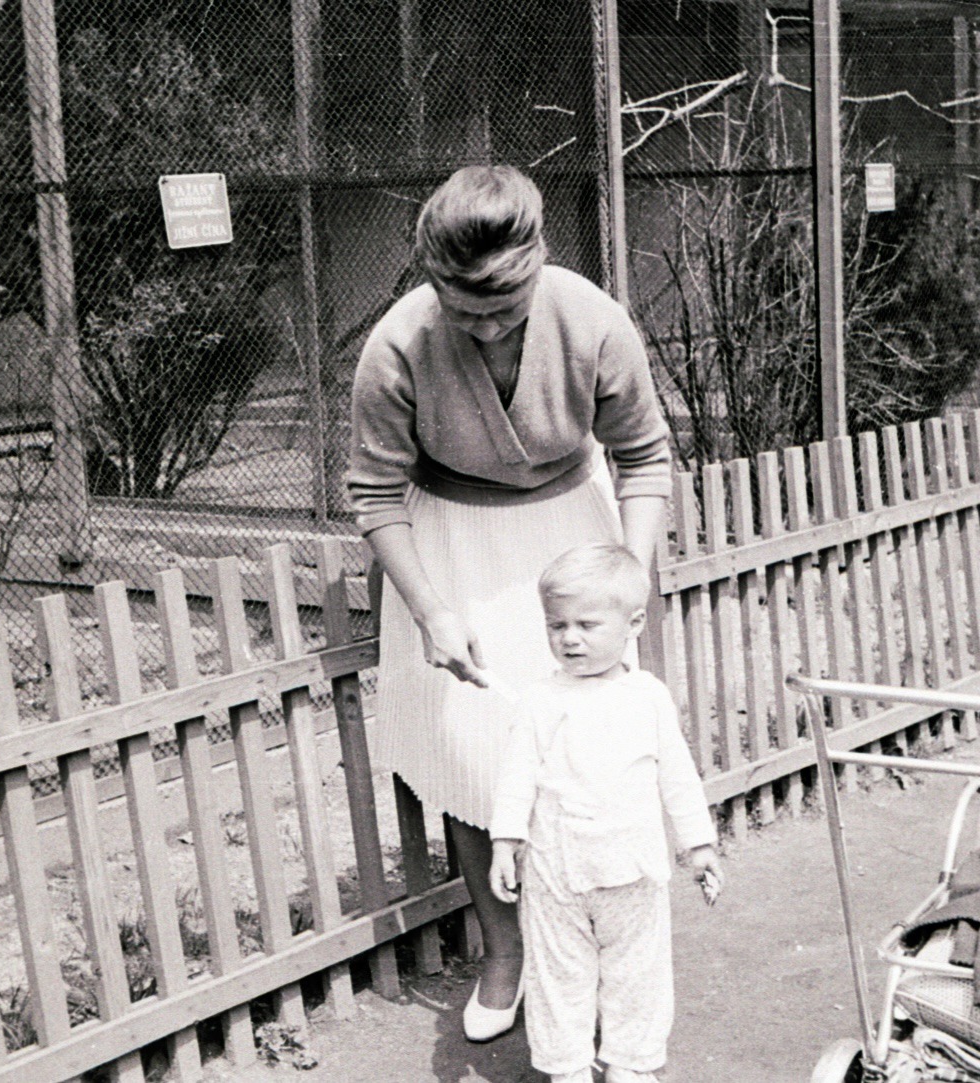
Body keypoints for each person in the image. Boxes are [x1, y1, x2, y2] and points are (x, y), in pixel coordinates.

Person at [346, 165, 672, 1041]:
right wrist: (430, 610)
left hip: (569, 531)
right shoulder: (397, 345)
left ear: (537, 265)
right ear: (434, 283)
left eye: (507, 308)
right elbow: (373, 493)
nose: (488, 327)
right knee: (473, 753)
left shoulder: (592, 320)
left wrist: (626, 573)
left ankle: (594, 946)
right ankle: (506, 951)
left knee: (587, 748)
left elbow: (643, 456)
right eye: (467, 311)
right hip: (451, 540)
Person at [488, 543, 723, 1083]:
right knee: (557, 975)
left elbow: (678, 776)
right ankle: (567, 1066)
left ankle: (630, 1063)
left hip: (632, 871)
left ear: (633, 623)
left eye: (587, 625)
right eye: (557, 625)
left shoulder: (647, 697)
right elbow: (516, 777)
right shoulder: (540, 699)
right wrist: (505, 842)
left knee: (637, 974)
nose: (569, 638)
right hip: (556, 873)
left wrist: (699, 845)